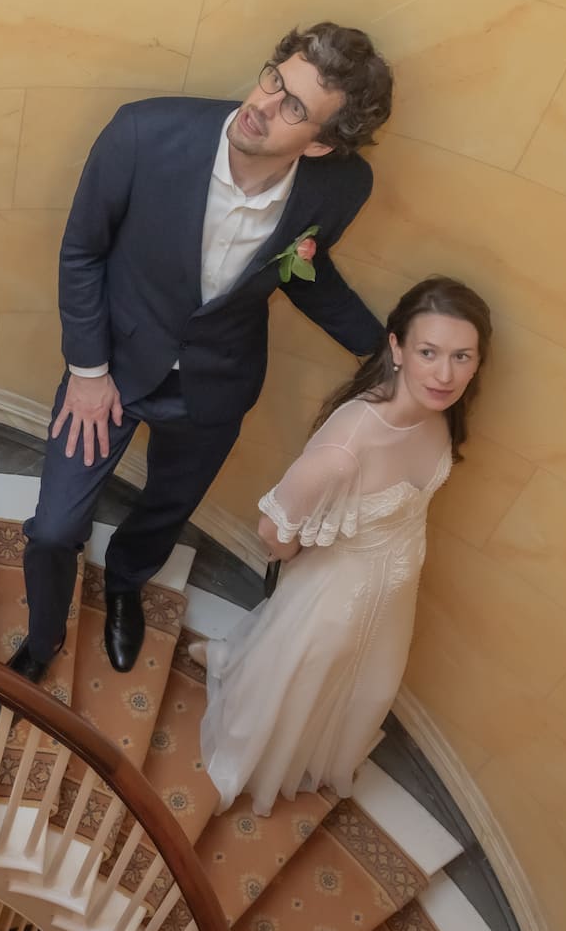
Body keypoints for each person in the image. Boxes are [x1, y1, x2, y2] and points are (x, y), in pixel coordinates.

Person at [13, 24, 394, 685]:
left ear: (322, 143)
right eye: (274, 78)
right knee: (52, 528)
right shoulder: (142, 133)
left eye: (293, 107)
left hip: (216, 382)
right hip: (113, 367)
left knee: (167, 505)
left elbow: (306, 272)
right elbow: (82, 253)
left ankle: (125, 582)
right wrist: (88, 372)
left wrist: (381, 351)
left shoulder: (340, 187)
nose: (263, 104)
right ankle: (42, 638)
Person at [195, 276, 491, 815]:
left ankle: (312, 750)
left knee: (368, 691)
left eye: (461, 357)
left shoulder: (441, 414)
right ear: (396, 349)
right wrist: (306, 567)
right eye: (428, 352)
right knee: (295, 687)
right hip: (334, 597)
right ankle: (247, 763)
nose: (445, 374)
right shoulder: (346, 448)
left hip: (396, 595)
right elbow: (273, 531)